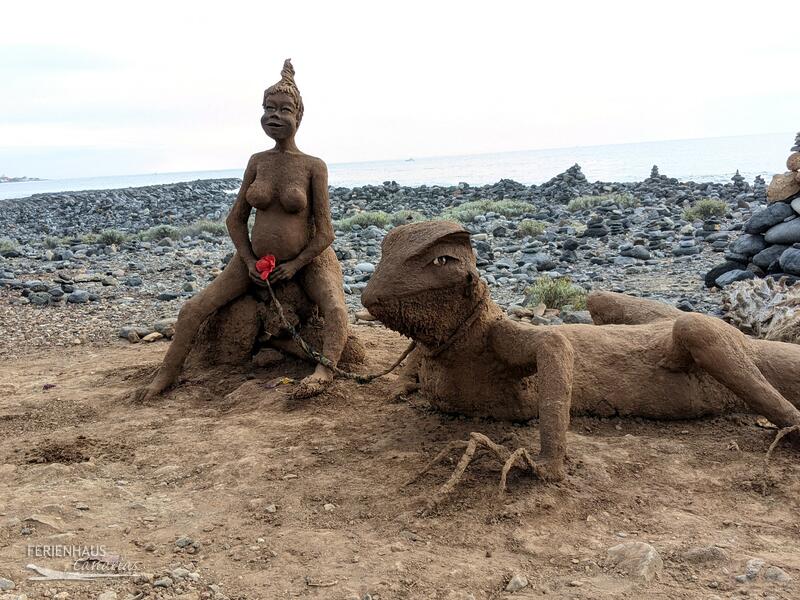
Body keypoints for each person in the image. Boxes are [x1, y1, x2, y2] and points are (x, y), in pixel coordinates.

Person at [139, 59, 348, 400]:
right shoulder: (257, 161)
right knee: (193, 309)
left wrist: (295, 265)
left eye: (284, 109)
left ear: (299, 116)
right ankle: (166, 374)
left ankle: (324, 370)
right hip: (252, 260)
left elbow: (325, 233)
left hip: (305, 261)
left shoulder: (313, 166)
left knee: (336, 309)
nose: (274, 116)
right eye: (268, 109)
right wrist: (249, 260)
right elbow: (235, 219)